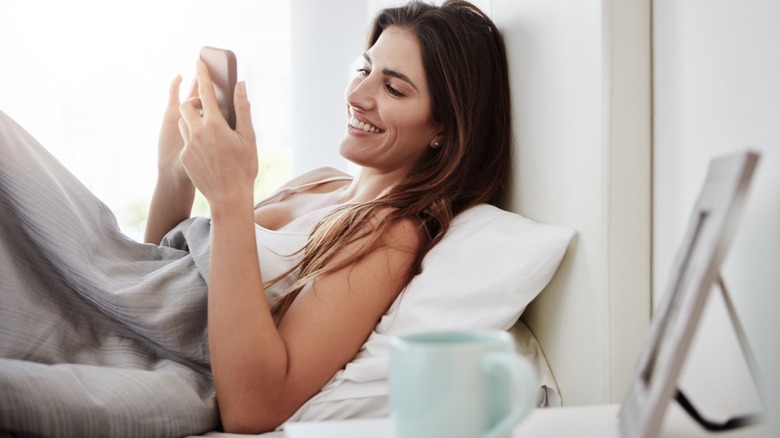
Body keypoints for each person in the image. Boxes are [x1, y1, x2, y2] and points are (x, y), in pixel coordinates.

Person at [0, 0, 511, 435]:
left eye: (394, 89)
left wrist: (229, 198)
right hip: (105, 291)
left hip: (119, 342)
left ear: (444, 128)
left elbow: (256, 406)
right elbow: (156, 276)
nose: (357, 96)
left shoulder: (391, 233)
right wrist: (173, 175)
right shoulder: (320, 181)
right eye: (364, 70)